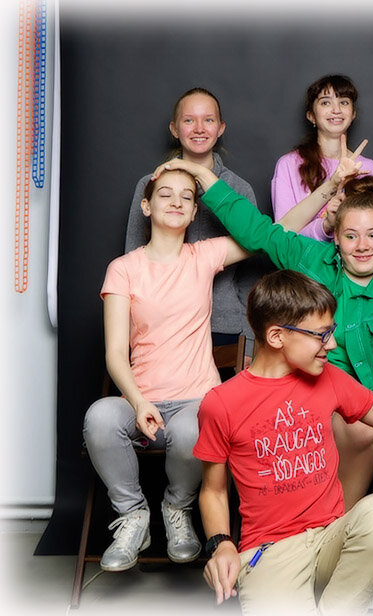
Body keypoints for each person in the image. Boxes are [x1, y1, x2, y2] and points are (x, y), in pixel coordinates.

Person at [153, 159, 373, 509]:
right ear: (335, 237)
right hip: (301, 401)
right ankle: (297, 521)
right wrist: (206, 178)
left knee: (363, 425)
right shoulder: (311, 259)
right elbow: (259, 232)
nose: (362, 246)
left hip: (368, 416)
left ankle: (336, 523)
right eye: (351, 236)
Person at [194, 269, 373, 616]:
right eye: (321, 335)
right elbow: (213, 490)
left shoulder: (329, 378)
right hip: (271, 551)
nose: (331, 344)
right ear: (276, 336)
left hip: (333, 537)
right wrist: (221, 544)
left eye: (331, 331)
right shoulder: (221, 403)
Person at [83, 168, 251, 572]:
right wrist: (139, 402)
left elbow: (269, 234)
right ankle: (133, 516)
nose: (176, 201)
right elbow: (114, 354)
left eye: (186, 197)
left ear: (194, 213)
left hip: (196, 401)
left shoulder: (203, 255)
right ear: (146, 206)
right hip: (141, 402)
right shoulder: (123, 268)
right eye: (165, 195)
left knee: (195, 428)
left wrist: (328, 190)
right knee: (99, 417)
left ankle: (177, 508)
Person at [125, 87, 262, 345]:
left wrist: (249, 340)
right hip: (160, 325)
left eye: (208, 120)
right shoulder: (151, 184)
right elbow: (133, 260)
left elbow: (251, 275)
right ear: (175, 129)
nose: (199, 129)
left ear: (220, 128)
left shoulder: (239, 190)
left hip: (224, 327)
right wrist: (134, 333)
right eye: (189, 120)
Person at [270, 74, 373, 240]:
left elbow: (370, 234)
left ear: (353, 114)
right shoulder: (289, 164)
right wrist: (326, 226)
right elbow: (282, 234)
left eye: (344, 102)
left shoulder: (369, 168)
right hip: (301, 256)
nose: (336, 110)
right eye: (325, 103)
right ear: (311, 115)